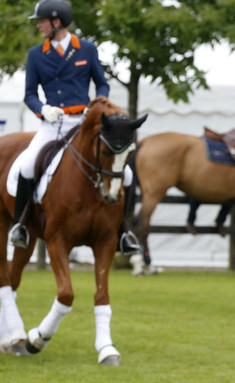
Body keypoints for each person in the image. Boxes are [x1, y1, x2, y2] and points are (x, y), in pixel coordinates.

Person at [10, 0, 140, 255]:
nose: (38, 25)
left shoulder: (86, 49)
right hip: (52, 123)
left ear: (56, 23)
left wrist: (99, 103)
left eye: (42, 21)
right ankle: (21, 226)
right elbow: (29, 94)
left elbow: (102, 84)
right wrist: (42, 109)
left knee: (127, 175)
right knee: (26, 165)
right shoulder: (37, 54)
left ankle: (124, 231)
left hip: (83, 122)